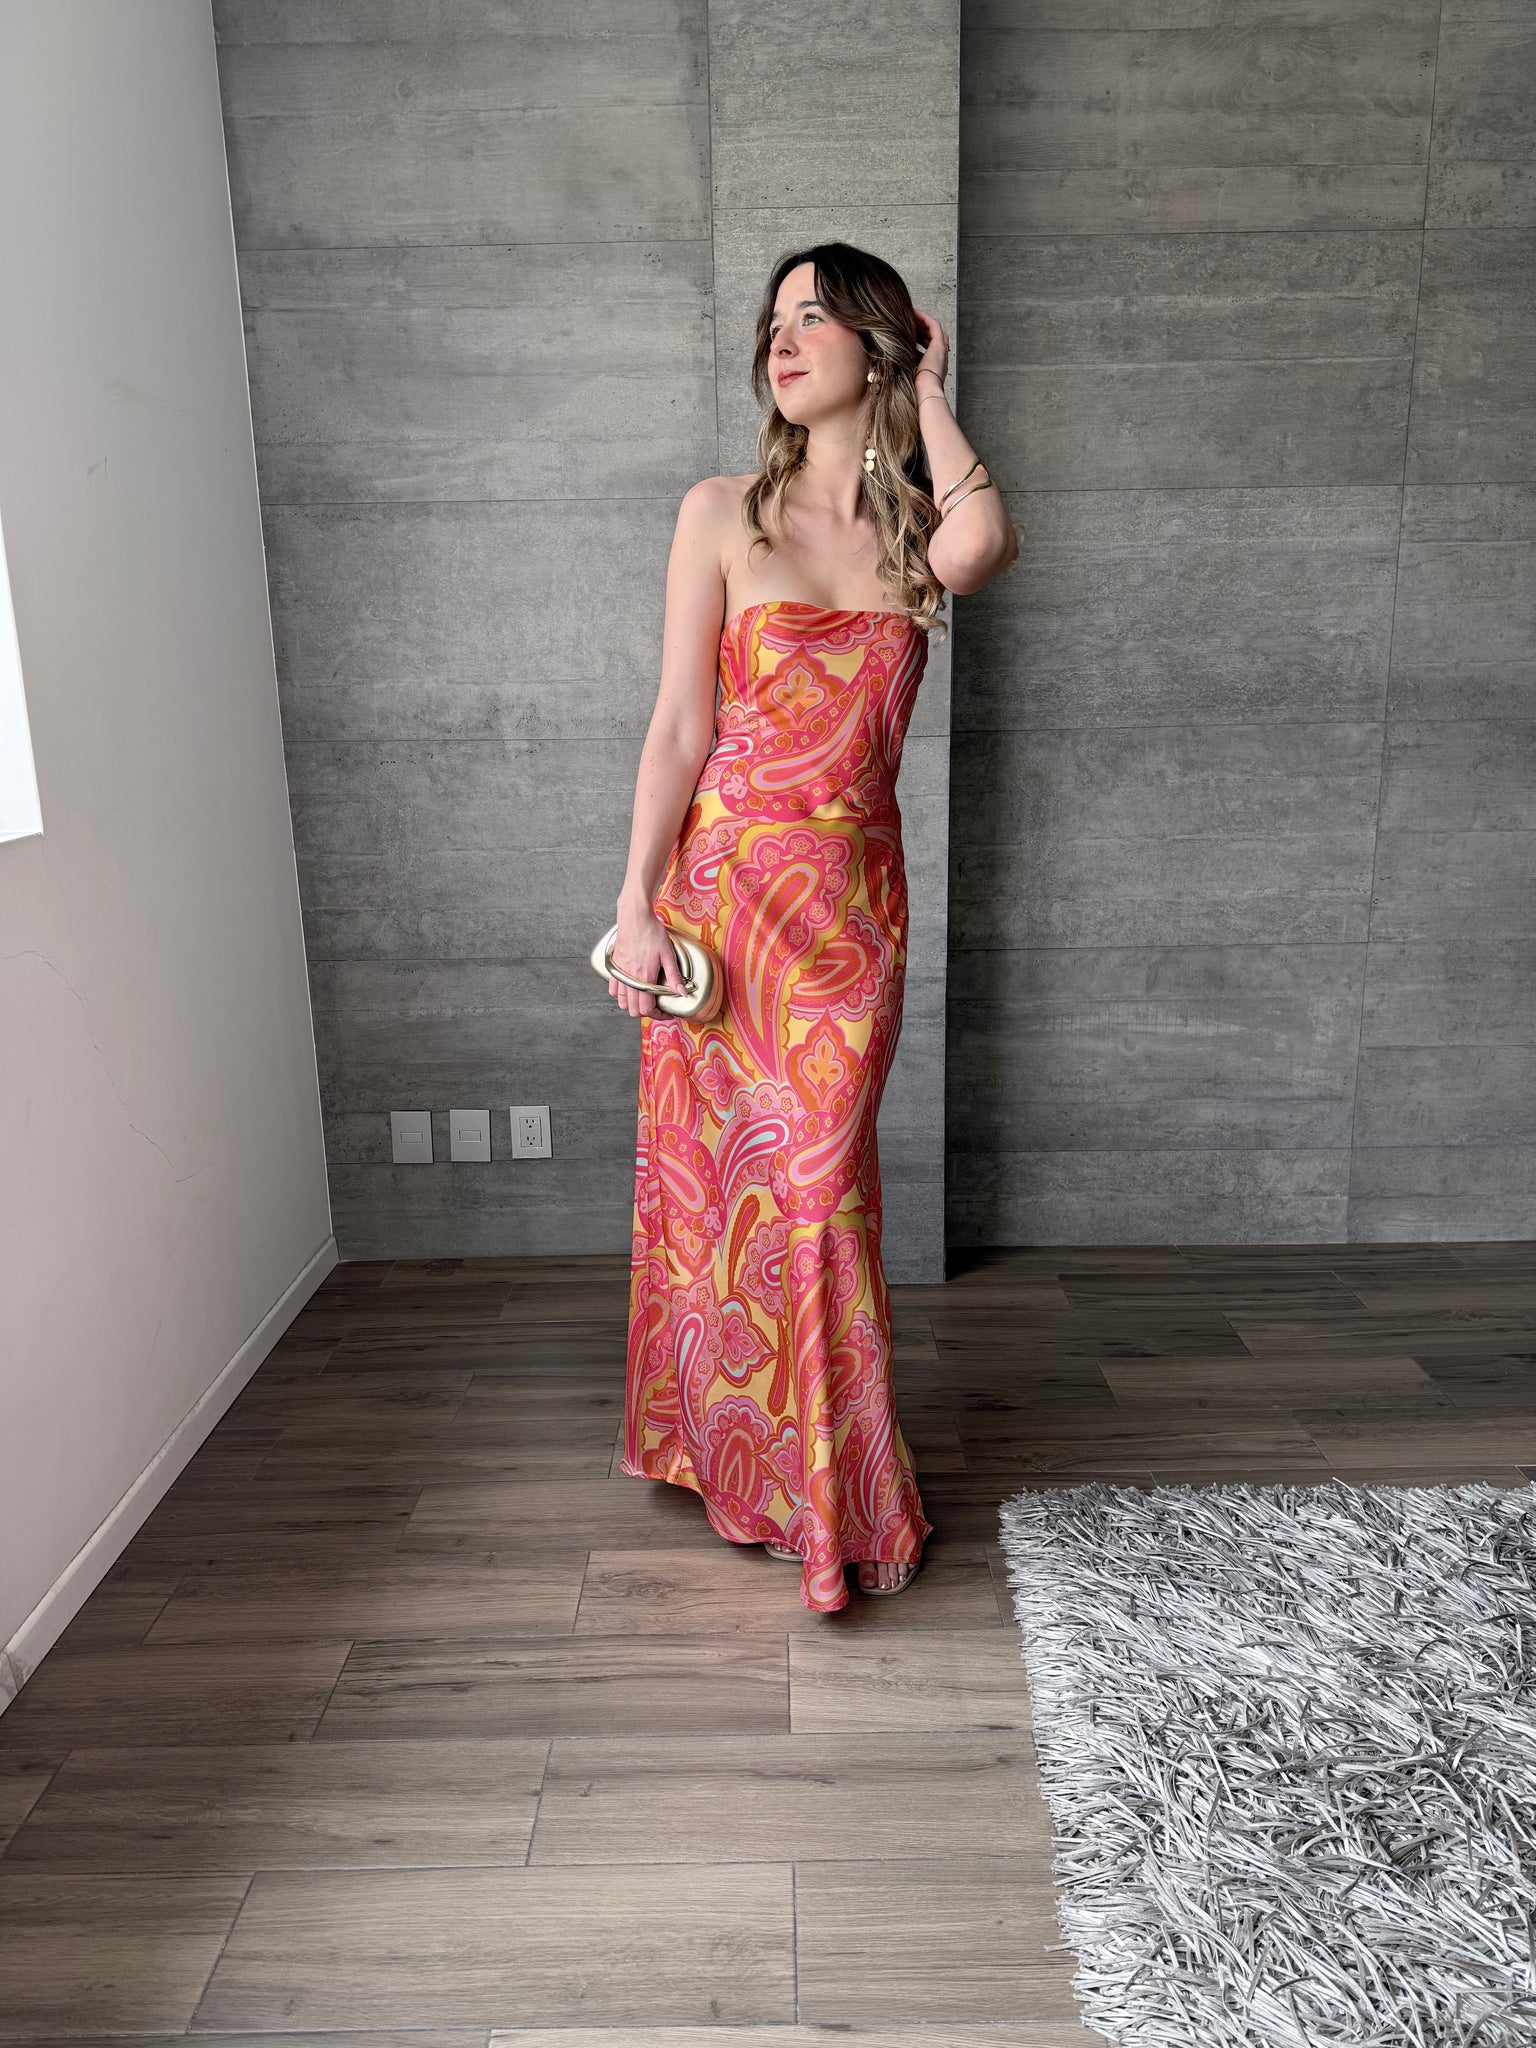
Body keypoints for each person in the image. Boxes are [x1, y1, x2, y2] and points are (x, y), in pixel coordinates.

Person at [606, 241, 1018, 1612]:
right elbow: (681, 725)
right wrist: (635, 904)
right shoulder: (721, 512)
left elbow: (985, 547)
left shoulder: (915, 531)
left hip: (849, 918)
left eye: (817, 319)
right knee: (725, 1201)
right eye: (773, 322)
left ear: (878, 347)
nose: (782, 342)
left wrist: (932, 391)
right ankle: (748, 1463)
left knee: (823, 1196)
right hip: (724, 908)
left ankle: (832, 1491)